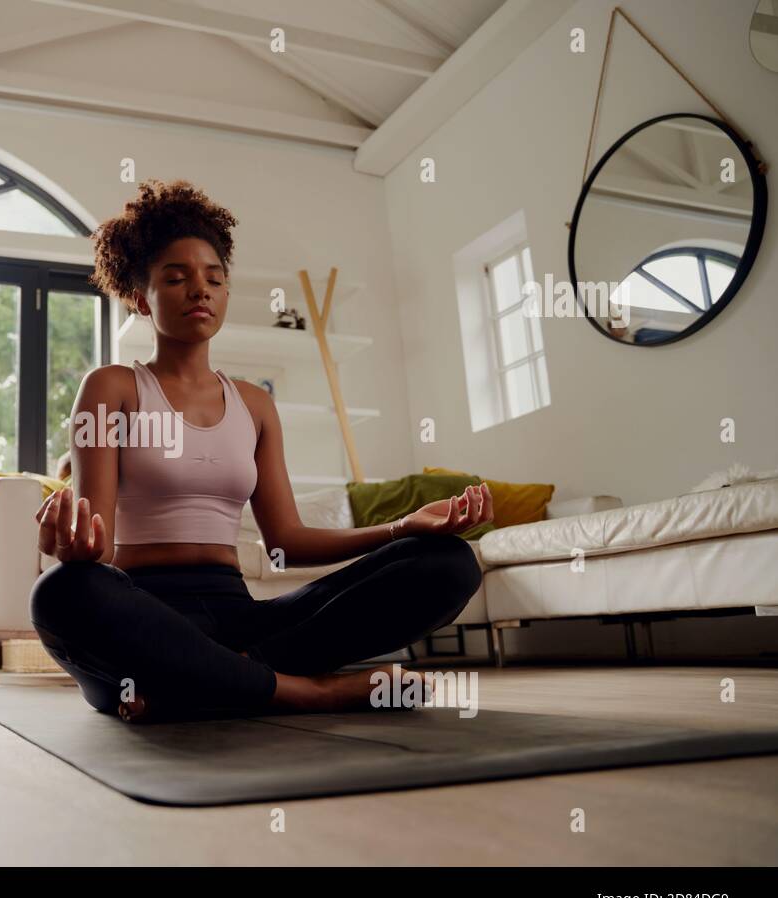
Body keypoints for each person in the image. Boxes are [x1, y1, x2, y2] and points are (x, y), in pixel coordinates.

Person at [29, 179, 490, 723]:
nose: (199, 289)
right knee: (63, 592)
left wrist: (402, 528)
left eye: (214, 278)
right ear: (139, 298)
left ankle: (213, 680)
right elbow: (99, 548)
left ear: (225, 292)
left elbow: (288, 541)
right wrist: (77, 550)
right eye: (175, 278)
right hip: (144, 611)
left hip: (241, 618)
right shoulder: (109, 388)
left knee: (447, 564)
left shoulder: (254, 405)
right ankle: (314, 693)